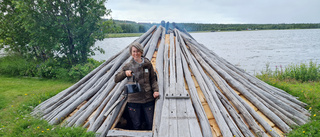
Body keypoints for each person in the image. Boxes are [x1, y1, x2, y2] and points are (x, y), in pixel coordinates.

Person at [115, 42, 159, 130]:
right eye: (134, 51)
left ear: (141, 52)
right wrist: (124, 73)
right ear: (131, 53)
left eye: (138, 51)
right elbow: (116, 79)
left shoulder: (147, 63)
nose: (136, 53)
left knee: (151, 122)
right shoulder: (128, 65)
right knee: (136, 124)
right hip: (134, 100)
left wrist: (155, 90)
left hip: (148, 98)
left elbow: (153, 79)